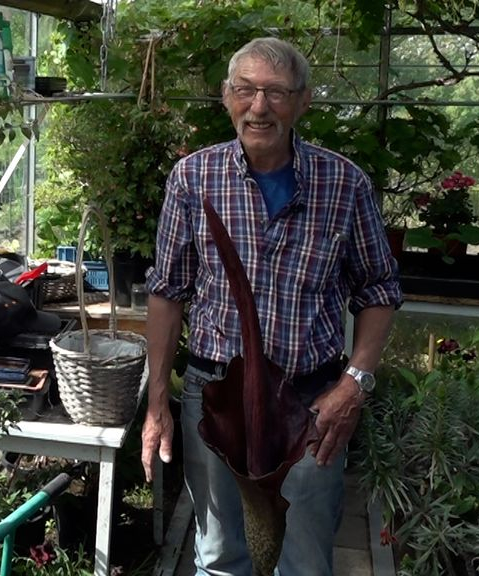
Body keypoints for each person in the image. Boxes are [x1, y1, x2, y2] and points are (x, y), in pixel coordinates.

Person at [141, 37, 403, 576]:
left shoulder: (343, 184)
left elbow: (378, 288)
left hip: (310, 401)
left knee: (304, 559)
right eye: (246, 90)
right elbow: (168, 291)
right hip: (217, 398)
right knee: (219, 556)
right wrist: (157, 404)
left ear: (303, 101)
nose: (259, 107)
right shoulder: (194, 179)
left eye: (276, 93)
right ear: (226, 97)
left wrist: (355, 382)